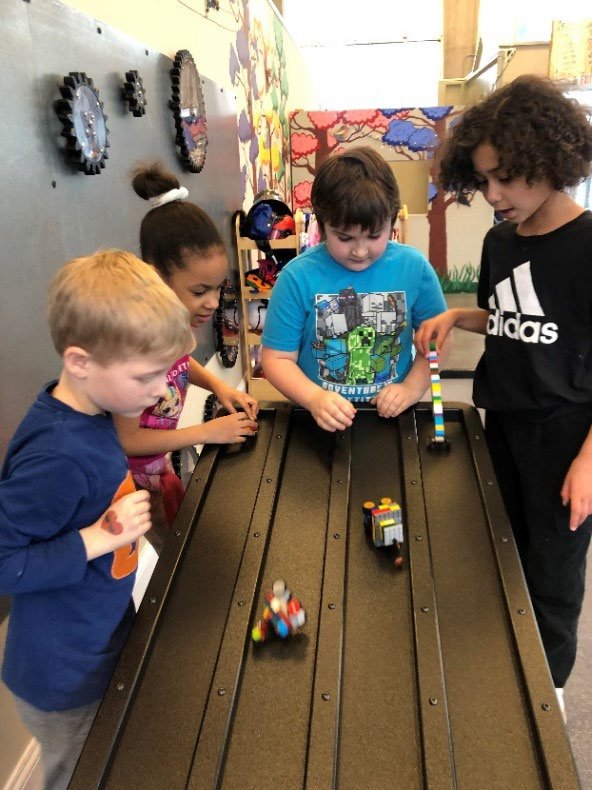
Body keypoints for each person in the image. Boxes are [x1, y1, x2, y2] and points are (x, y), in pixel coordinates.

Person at [414, 75, 592, 707]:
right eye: (483, 179)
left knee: (552, 571)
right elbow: (514, 321)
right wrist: (461, 317)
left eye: (506, 178)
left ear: (550, 160)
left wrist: (588, 464)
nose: (493, 195)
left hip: (569, 436)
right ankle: (505, 674)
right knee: (502, 550)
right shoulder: (499, 241)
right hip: (505, 423)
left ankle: (552, 694)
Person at [0, 250, 195, 789]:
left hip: (98, 642)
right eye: (146, 377)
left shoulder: (93, 412)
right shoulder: (57, 455)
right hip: (63, 677)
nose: (160, 391)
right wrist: (94, 538)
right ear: (81, 361)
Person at [261, 146, 448, 432]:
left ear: (392, 221)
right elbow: (277, 359)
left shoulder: (414, 268)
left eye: (374, 235)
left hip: (392, 418)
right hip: (318, 419)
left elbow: (437, 344)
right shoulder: (296, 277)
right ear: (321, 226)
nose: (360, 251)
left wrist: (411, 388)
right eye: (345, 237)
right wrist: (314, 398)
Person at [115, 163, 258, 535]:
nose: (212, 303)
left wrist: (220, 387)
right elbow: (128, 438)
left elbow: (180, 365)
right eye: (199, 292)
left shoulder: (174, 323)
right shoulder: (135, 344)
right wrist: (206, 432)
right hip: (127, 484)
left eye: (217, 288)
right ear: (155, 275)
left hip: (157, 468)